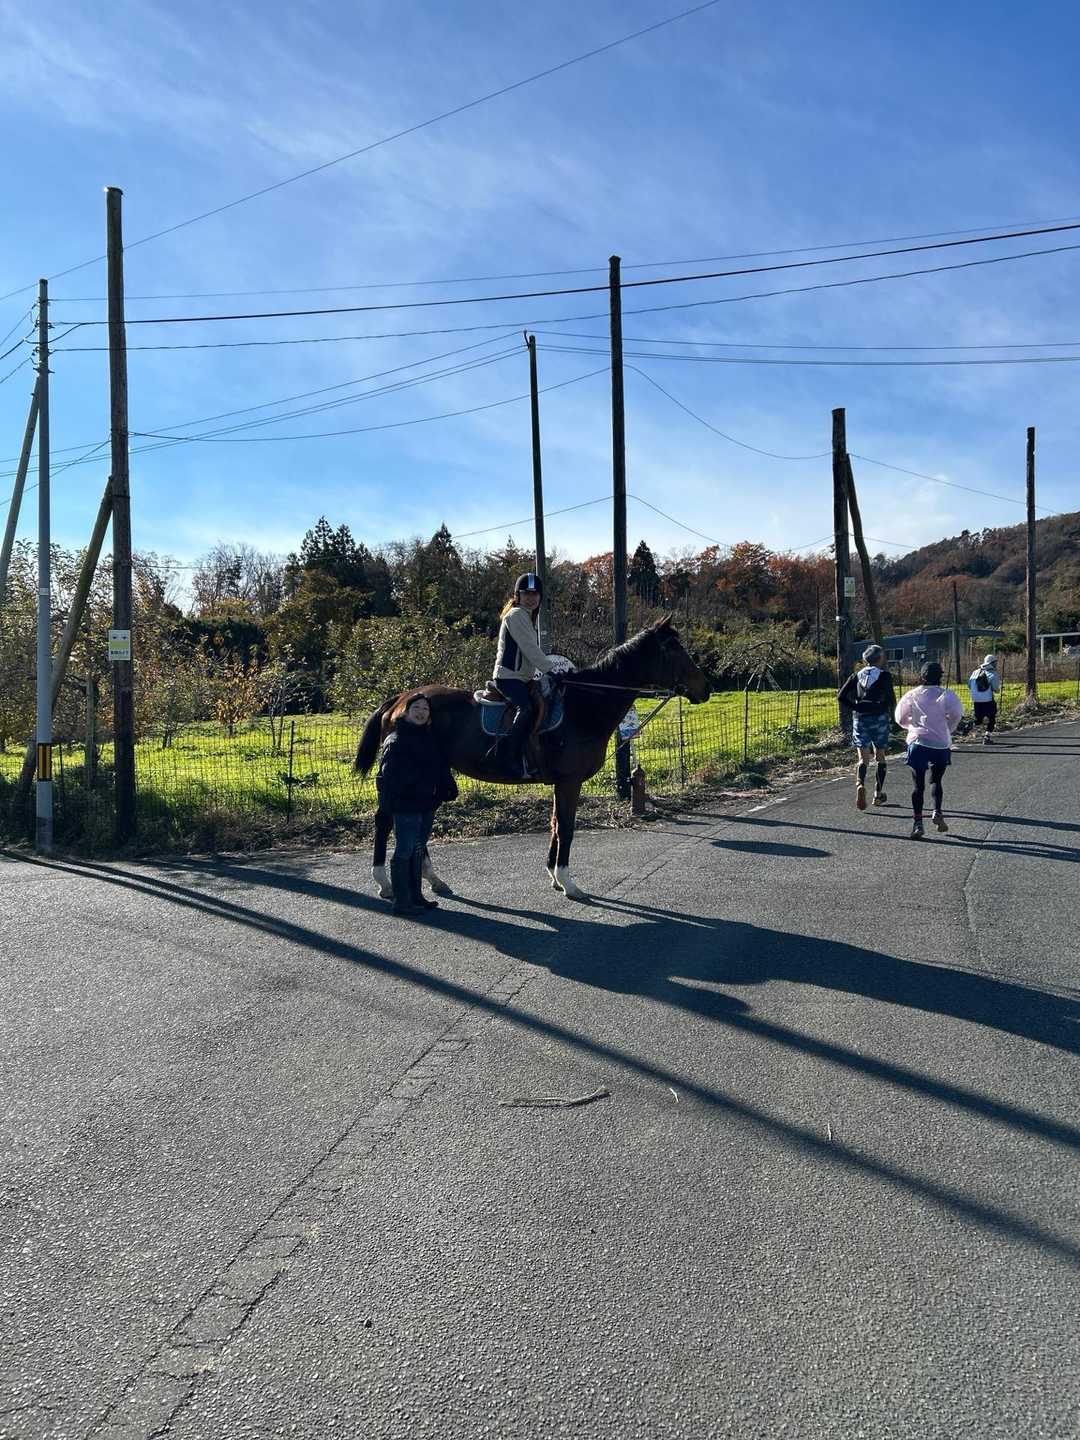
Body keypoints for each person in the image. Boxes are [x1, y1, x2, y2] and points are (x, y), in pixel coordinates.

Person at [375, 693, 458, 916]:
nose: (421, 712)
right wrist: (421, 785)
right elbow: (391, 775)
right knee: (404, 850)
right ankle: (402, 902)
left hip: (426, 803)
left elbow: (439, 766)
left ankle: (416, 896)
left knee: (418, 848)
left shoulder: (429, 737)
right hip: (406, 804)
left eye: (425, 709)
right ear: (406, 712)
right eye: (416, 708)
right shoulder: (396, 739)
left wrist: (447, 786)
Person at [492, 572, 557, 778]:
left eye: (535, 594)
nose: (531, 598)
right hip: (508, 678)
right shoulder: (517, 615)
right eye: (526, 593)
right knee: (526, 709)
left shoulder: (527, 616)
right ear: (517, 596)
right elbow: (530, 648)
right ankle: (508, 758)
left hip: (522, 679)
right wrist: (551, 669)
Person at [894, 661, 964, 840]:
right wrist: (947, 728)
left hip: (918, 743)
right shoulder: (947, 695)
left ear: (922, 676)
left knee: (918, 786)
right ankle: (937, 811)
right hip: (940, 743)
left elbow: (899, 718)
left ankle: (918, 823)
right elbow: (957, 714)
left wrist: (912, 725)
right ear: (940, 676)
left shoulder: (912, 694)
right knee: (936, 781)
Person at [837, 644, 898, 811]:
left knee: (863, 758)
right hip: (879, 718)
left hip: (860, 718)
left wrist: (856, 707)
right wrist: (894, 718)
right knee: (880, 755)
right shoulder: (884, 676)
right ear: (880, 658)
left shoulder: (856, 675)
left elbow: (841, 696)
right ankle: (878, 793)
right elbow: (891, 698)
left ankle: (860, 784)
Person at [967, 653, 1002, 744]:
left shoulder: (975, 672)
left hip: (976, 700)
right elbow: (996, 689)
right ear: (992, 663)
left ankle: (967, 726)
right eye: (995, 662)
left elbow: (969, 685)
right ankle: (987, 737)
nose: (996, 664)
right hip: (988, 700)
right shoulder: (993, 673)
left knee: (978, 720)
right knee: (992, 719)